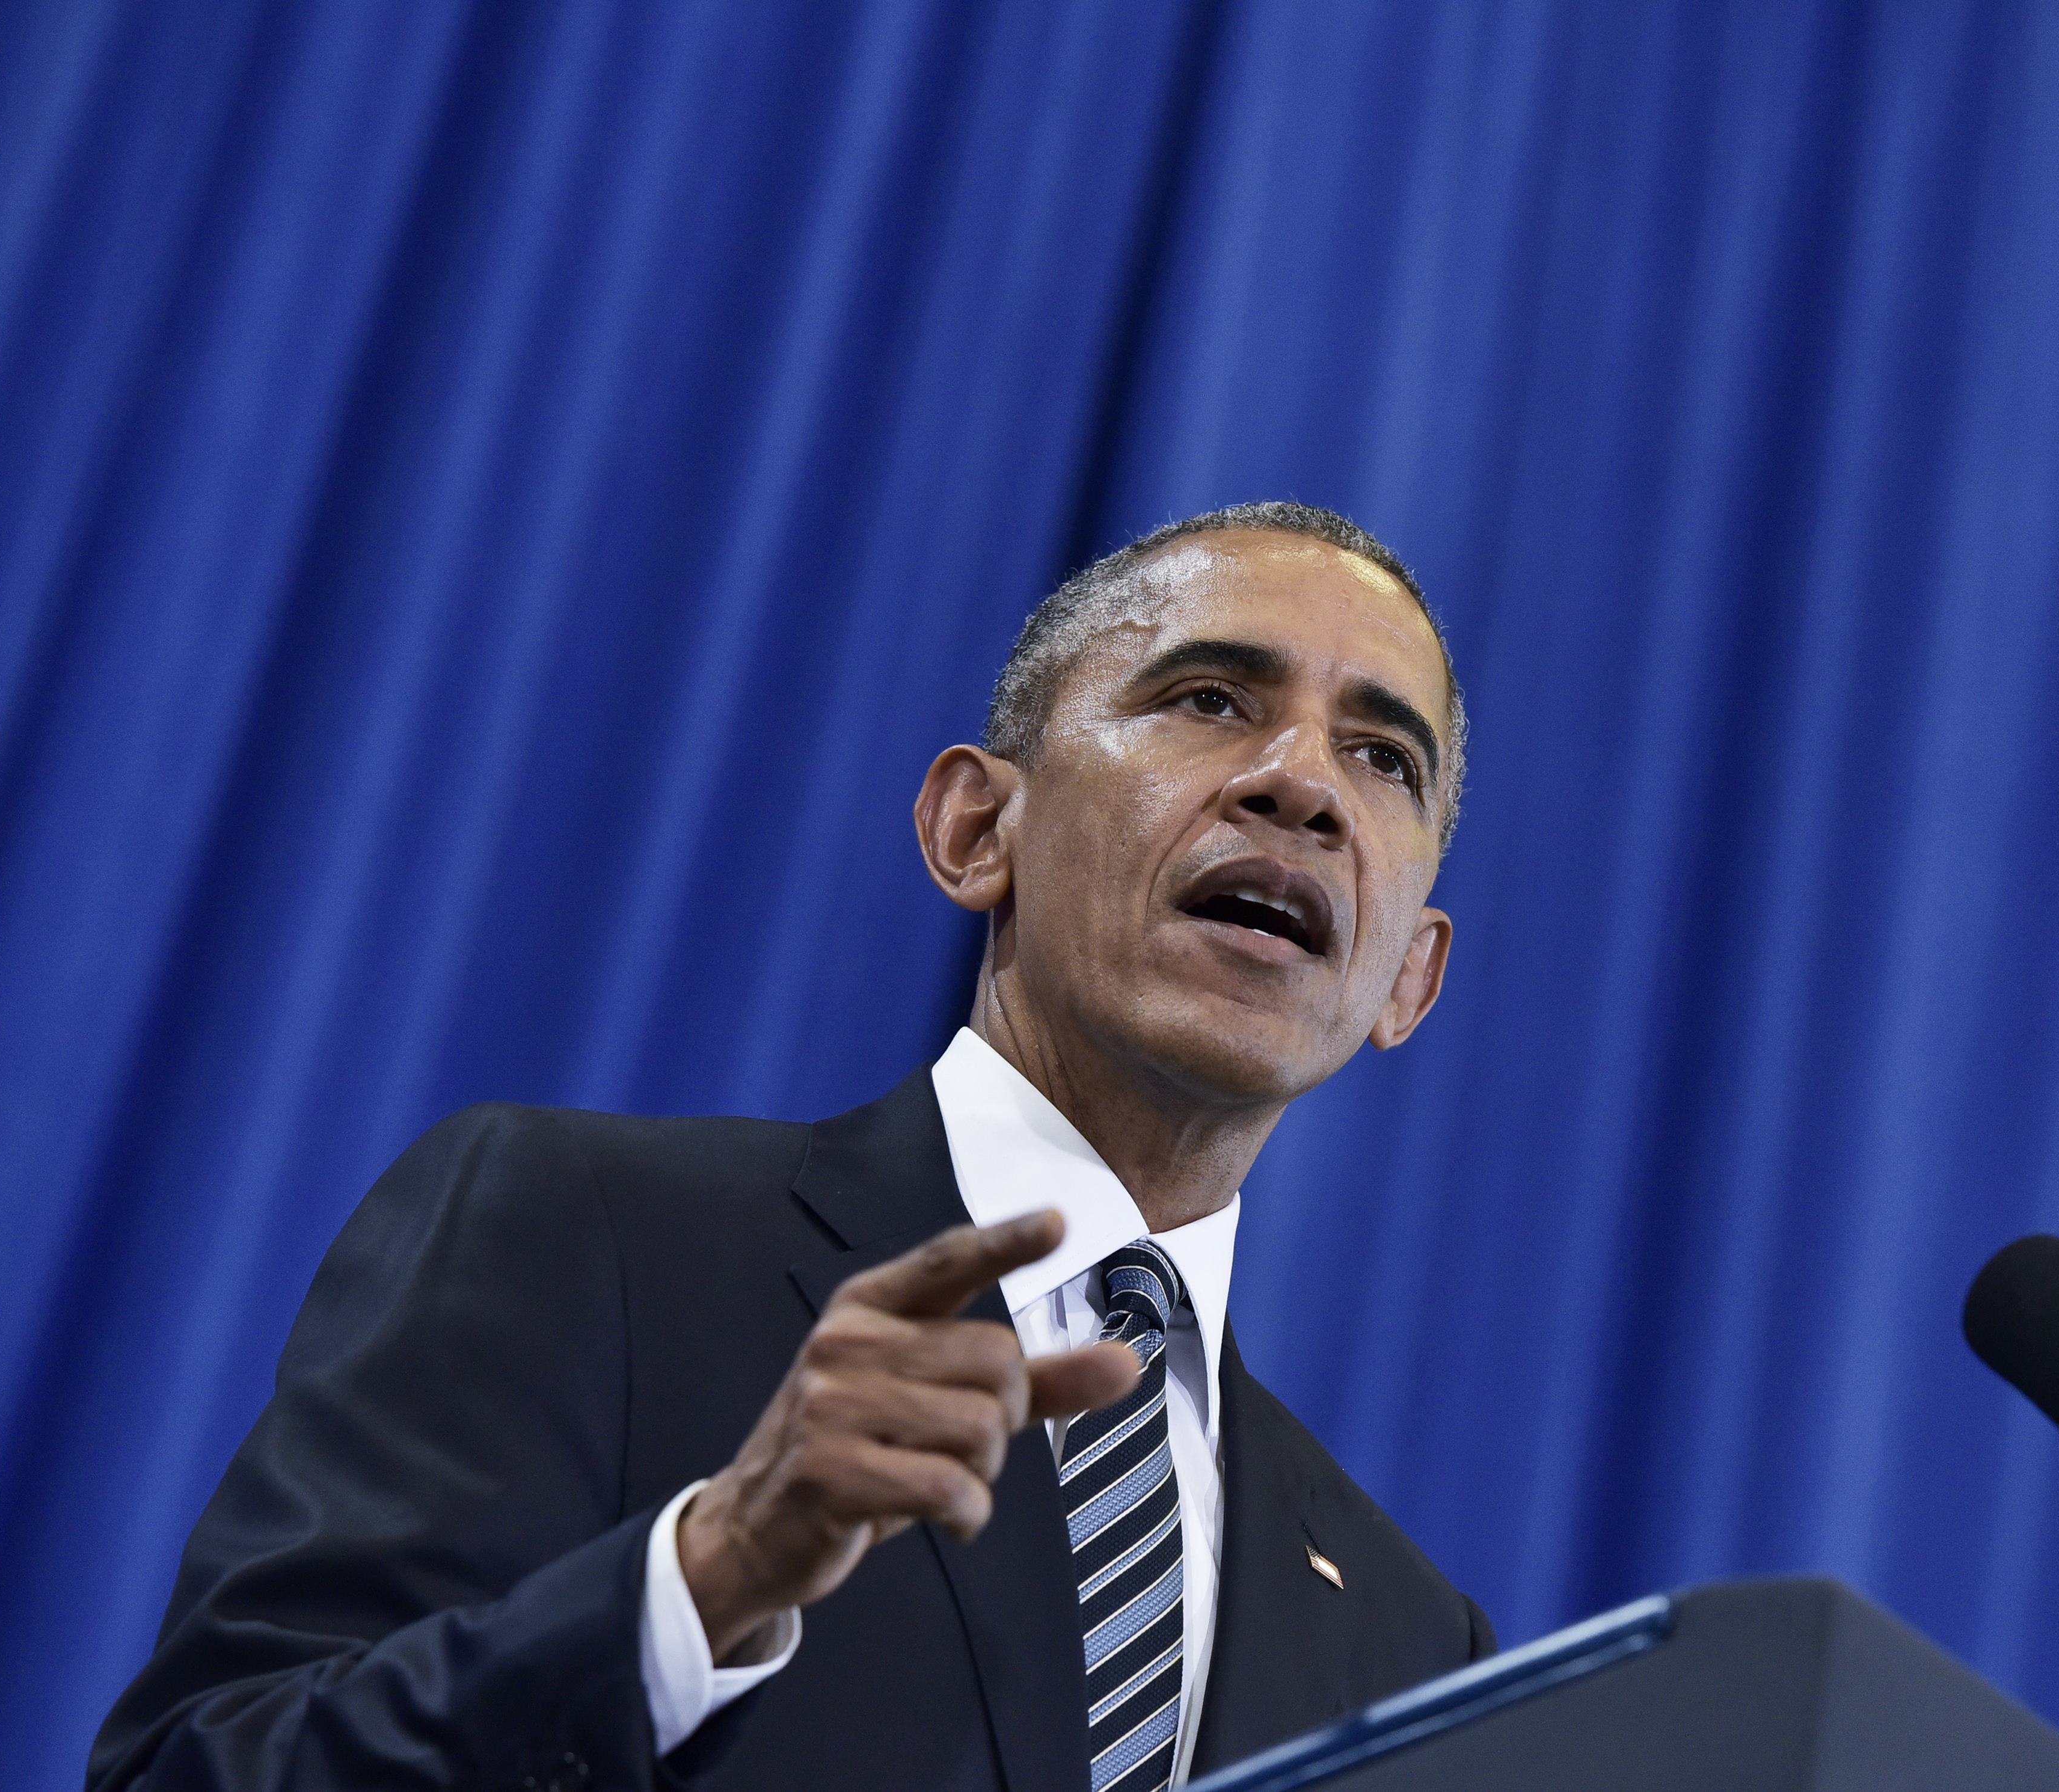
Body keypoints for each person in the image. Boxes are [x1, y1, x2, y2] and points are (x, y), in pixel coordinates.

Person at [90, 502, 1494, 1792]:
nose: (1302, 784)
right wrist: (697, 1586)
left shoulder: (1411, 1635)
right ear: (974, 826)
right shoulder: (585, 1234)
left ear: (1408, 982)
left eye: (1382, 757)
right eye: (1209, 698)